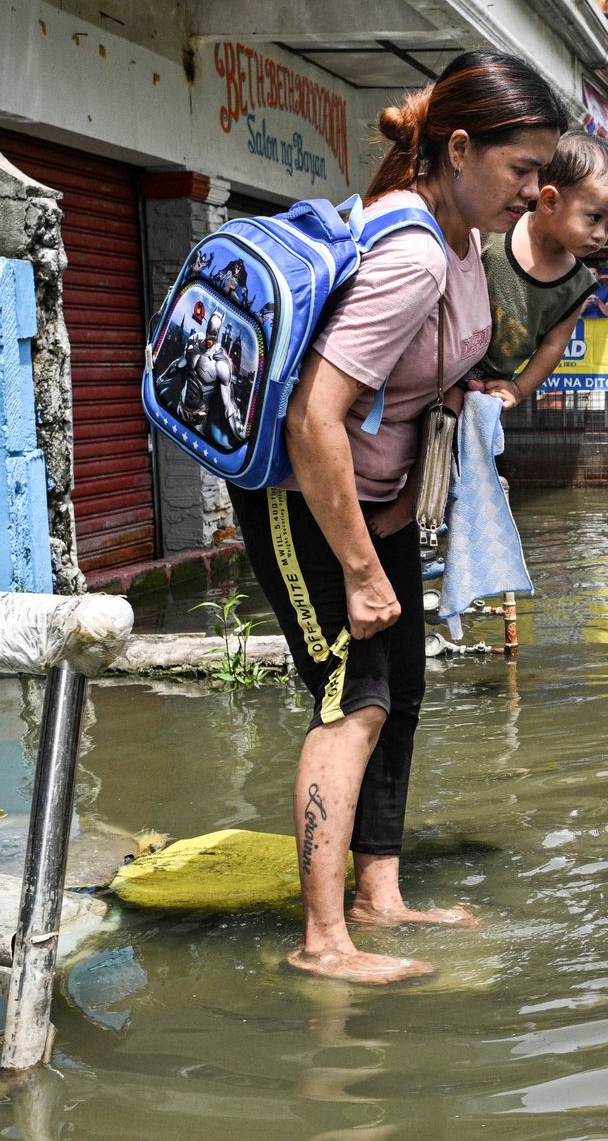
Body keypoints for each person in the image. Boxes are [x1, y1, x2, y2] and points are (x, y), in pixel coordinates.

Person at [227, 50, 569, 985]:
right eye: (522, 170)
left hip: (372, 500)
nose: (537, 191)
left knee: (402, 688)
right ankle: (321, 941)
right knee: (354, 699)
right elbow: (313, 417)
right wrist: (364, 570)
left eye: (545, 171)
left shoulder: (457, 243)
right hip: (303, 499)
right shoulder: (415, 252)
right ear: (458, 149)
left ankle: (380, 896)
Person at [471, 131, 608, 408]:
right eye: (594, 217)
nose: (601, 234)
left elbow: (553, 346)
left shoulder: (577, 285)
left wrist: (518, 389)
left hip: (486, 391)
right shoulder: (495, 230)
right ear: (550, 202)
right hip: (441, 368)